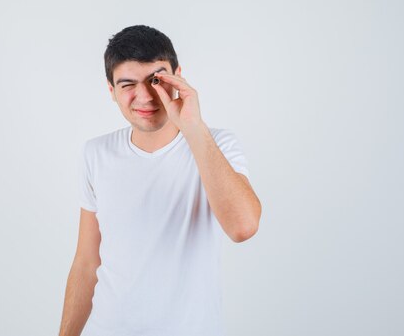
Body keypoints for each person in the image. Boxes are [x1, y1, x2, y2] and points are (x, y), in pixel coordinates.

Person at [58, 25, 262, 336]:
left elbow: (243, 227)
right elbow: (86, 262)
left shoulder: (215, 144)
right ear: (111, 91)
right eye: (127, 84)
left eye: (156, 80)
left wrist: (192, 126)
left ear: (178, 75)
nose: (145, 95)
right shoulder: (96, 153)